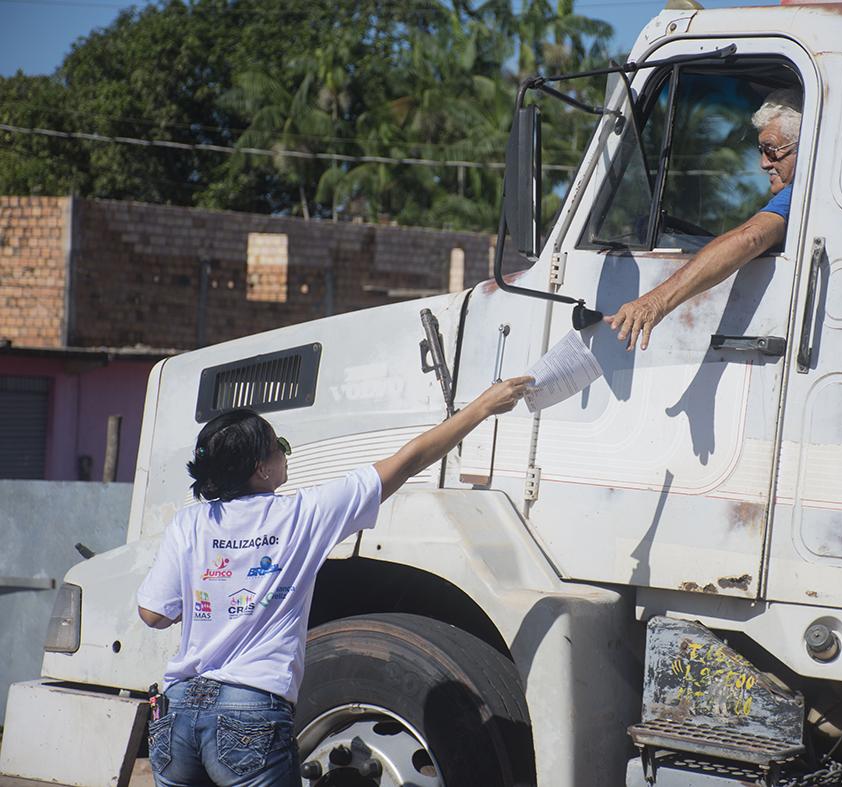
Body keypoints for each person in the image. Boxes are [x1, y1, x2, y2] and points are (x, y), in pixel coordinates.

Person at [136, 375, 533, 787]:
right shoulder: (305, 514)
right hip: (250, 712)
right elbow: (410, 459)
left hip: (178, 713)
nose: (286, 456)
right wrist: (482, 407)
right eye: (280, 447)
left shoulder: (189, 523)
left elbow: (153, 614)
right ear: (261, 467)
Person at [608, 89, 802, 351]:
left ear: (805, 148)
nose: (763, 164)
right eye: (761, 150)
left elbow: (751, 237)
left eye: (771, 150)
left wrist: (655, 302)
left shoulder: (799, 195)